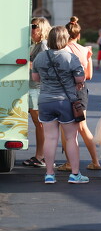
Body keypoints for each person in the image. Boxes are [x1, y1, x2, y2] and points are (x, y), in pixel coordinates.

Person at [31, 26, 89, 184]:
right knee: (71, 138)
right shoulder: (70, 57)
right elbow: (80, 78)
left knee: (50, 138)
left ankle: (49, 174)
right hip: (65, 101)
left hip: (45, 101)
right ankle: (75, 174)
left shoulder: (40, 57)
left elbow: (35, 78)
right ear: (65, 39)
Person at [56, 17, 101, 172]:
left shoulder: (62, 50)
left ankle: (69, 162)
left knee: (65, 127)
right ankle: (95, 161)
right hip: (81, 90)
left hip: (66, 90)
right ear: (78, 35)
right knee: (83, 126)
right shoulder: (85, 50)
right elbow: (89, 75)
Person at [23, 17, 51, 168]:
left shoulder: (43, 45)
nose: (32, 29)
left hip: (38, 88)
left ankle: (41, 156)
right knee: (38, 124)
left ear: (42, 29)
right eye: (31, 26)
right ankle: (39, 155)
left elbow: (44, 66)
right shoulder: (37, 44)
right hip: (33, 87)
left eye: (35, 27)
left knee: (40, 124)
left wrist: (26, 63)